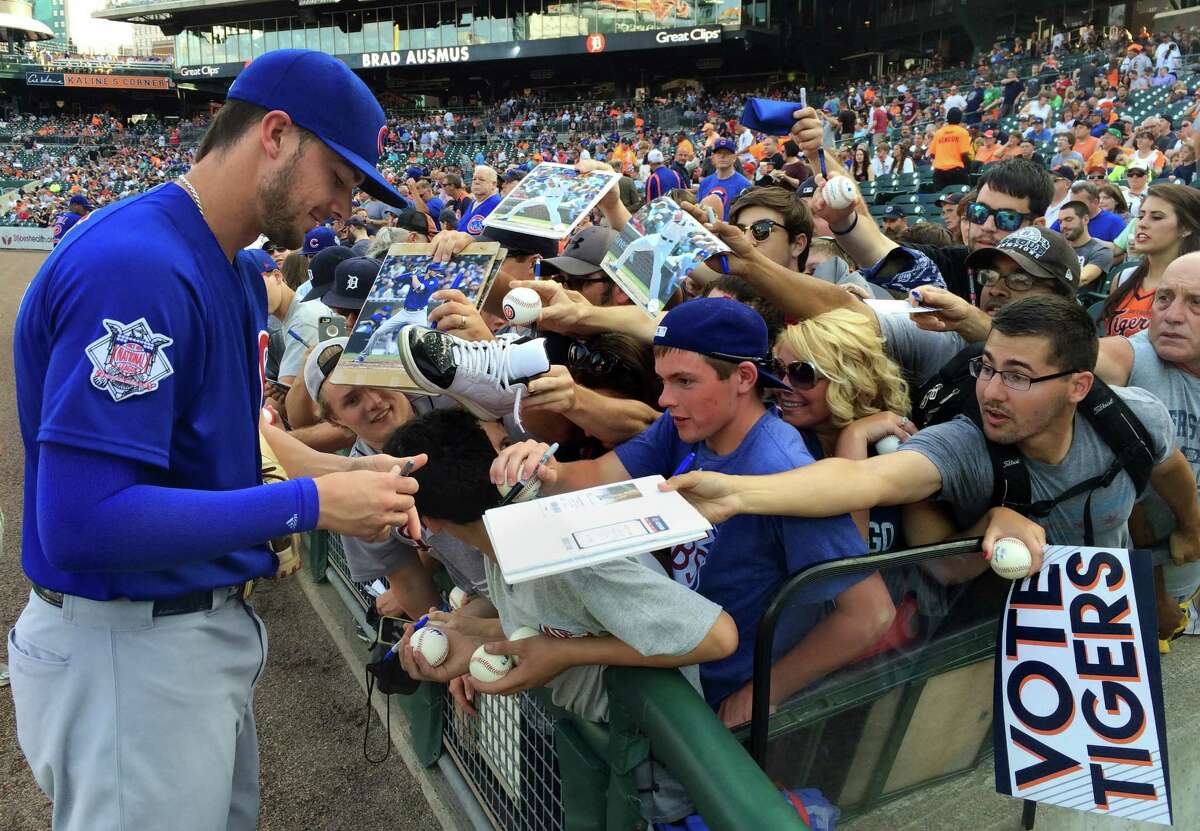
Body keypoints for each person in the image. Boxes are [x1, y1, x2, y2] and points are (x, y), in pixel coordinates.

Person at [10, 49, 425, 831]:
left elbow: (231, 445)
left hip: (180, 638)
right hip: (125, 648)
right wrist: (308, 503)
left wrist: (355, 477)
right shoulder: (138, 266)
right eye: (335, 177)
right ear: (275, 134)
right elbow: (81, 519)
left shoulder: (229, 267)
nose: (340, 207)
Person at [489, 298, 892, 726]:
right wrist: (541, 468)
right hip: (671, 659)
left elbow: (870, 613)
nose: (665, 399)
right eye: (663, 380)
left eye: (684, 381)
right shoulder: (686, 424)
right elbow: (599, 475)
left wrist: (762, 693)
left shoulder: (784, 470)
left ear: (743, 377)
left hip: (716, 696)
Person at [665, 296, 1197, 572]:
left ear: (1079, 385)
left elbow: (1170, 469)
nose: (991, 391)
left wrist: (1192, 530)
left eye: (1018, 376)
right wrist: (736, 492)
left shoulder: (1133, 416)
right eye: (987, 367)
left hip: (1108, 612)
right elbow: (867, 482)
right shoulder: (966, 443)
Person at [387, 408, 738, 825]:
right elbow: (564, 623)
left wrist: (563, 655)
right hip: (604, 745)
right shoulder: (500, 534)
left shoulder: (563, 554)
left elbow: (718, 636)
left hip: (658, 767)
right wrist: (477, 635)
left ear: (427, 523)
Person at [1101, 184, 1200, 338]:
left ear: (1186, 227)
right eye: (1141, 216)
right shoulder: (1123, 278)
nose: (1142, 224)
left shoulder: (1195, 285)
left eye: (1156, 217)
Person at [1058, 200, 1114, 290]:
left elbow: (1082, 279)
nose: (1063, 226)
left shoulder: (1101, 252)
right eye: (1060, 222)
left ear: (1085, 219)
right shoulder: (1056, 248)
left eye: (1068, 220)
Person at [1050, 180, 1127, 241]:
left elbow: (1121, 253)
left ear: (1095, 202)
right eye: (1072, 203)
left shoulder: (1114, 222)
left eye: (1079, 203)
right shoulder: (1065, 220)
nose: (1074, 206)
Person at [697, 138, 752, 220]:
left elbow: (747, 217)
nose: (722, 156)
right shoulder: (705, 182)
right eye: (719, 153)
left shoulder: (744, 185)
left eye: (727, 153)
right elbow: (699, 210)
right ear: (713, 157)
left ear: (734, 158)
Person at [457, 164, 501, 234]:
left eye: (481, 179)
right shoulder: (474, 202)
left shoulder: (497, 205)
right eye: (474, 179)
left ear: (493, 184)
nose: (476, 182)